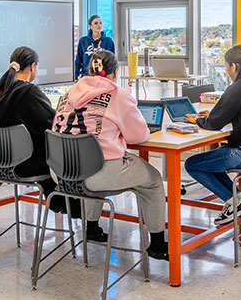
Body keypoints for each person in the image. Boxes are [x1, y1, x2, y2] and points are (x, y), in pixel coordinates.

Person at [52, 50, 169, 259]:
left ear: (89, 71)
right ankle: (158, 245)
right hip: (98, 174)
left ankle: (92, 228)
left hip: (61, 172)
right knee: (152, 180)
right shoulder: (118, 95)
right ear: (114, 72)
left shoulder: (68, 93)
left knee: (93, 162)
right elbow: (138, 136)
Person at [181, 44, 241, 226]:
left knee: (193, 164)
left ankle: (234, 201)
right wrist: (213, 116)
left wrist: (197, 120)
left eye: (226, 67)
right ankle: (238, 201)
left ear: (234, 66)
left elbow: (213, 124)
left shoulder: (238, 88)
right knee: (211, 162)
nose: (227, 72)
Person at [0, 46, 62, 211]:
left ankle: (59, 202)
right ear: (32, 67)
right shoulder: (29, 92)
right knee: (59, 154)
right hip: (25, 165)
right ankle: (65, 203)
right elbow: (53, 123)